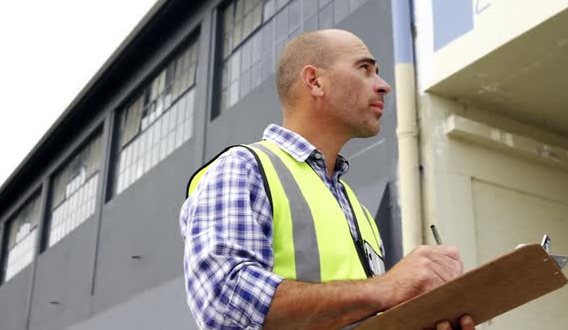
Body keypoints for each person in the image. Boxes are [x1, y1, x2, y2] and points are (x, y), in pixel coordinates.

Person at [180, 29, 475, 330]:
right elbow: (224, 299)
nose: (384, 86)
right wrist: (387, 287)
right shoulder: (242, 169)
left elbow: (356, 314)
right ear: (314, 81)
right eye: (365, 69)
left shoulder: (357, 210)